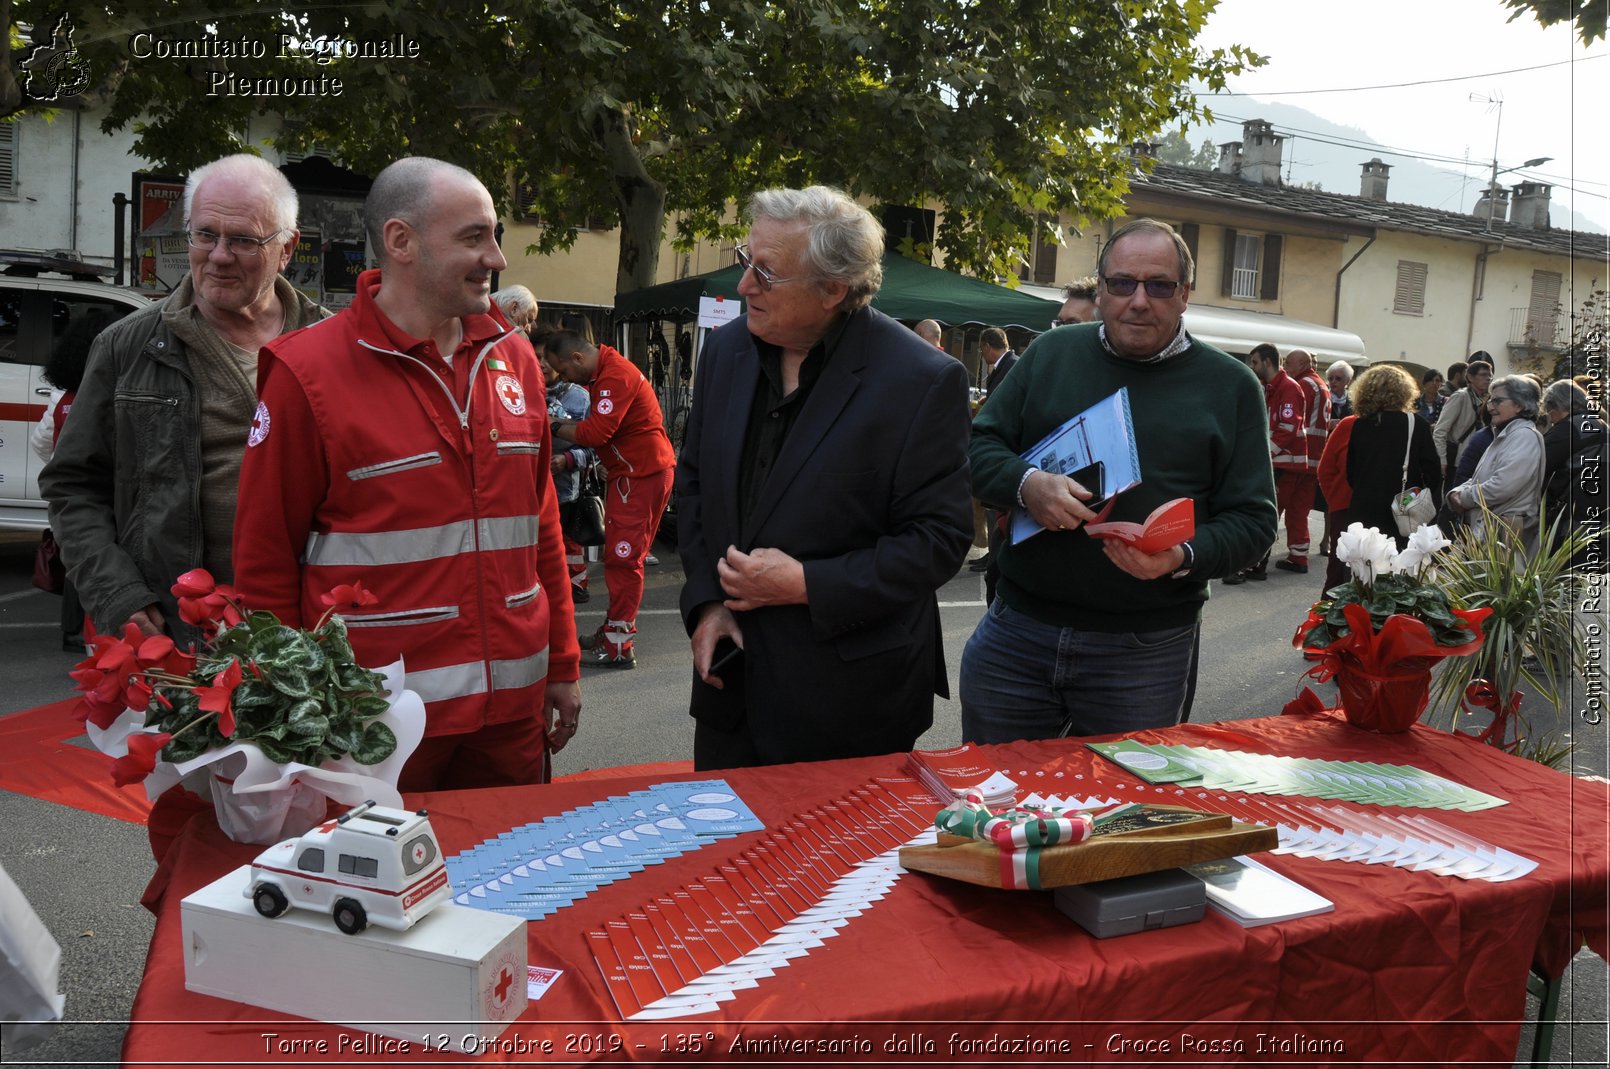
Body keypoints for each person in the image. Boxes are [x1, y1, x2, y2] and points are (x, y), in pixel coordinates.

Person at [233, 156, 581, 792]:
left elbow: (540, 524)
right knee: (387, 892)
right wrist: (287, 712)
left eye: (494, 235)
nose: (497, 258)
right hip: (377, 727)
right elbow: (265, 561)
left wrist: (561, 662)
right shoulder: (306, 374)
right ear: (400, 241)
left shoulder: (514, 358)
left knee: (513, 887)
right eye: (474, 237)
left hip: (510, 716)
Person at [676, 185, 972, 769]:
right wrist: (709, 604)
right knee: (729, 859)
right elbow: (695, 488)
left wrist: (807, 582)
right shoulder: (727, 350)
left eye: (766, 273)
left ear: (832, 290)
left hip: (852, 702)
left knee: (838, 863)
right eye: (746, 260)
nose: (743, 286)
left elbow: (938, 541)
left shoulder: (921, 380)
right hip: (729, 690)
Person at [963, 218, 1275, 743]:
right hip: (1018, 632)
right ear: (1102, 289)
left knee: (1119, 817)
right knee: (997, 806)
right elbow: (975, 448)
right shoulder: (1049, 354)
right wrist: (1027, 485)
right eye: (1122, 283)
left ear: (1184, 296)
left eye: (1158, 285)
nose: (1138, 300)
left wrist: (1181, 556)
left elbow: (1254, 520)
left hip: (1145, 650)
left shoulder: (1232, 386)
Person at [41, 154, 327, 648]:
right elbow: (73, 487)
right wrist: (118, 594)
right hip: (178, 634)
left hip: (307, 632)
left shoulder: (331, 345)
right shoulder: (125, 347)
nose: (218, 255)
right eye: (204, 234)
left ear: (287, 248)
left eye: (243, 239)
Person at [544, 329, 676, 668]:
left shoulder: (613, 375)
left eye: (566, 371)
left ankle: (618, 645)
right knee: (621, 557)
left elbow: (596, 433)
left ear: (576, 358)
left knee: (623, 560)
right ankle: (612, 633)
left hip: (640, 475)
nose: (568, 379)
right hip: (635, 473)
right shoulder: (607, 371)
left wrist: (554, 425)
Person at [31, 310, 116, 649]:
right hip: (109, 493)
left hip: (69, 496)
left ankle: (72, 629)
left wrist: (61, 468)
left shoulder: (61, 399)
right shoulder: (116, 393)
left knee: (75, 556)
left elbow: (41, 443)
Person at [1317, 365, 1441, 587]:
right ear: (1405, 391)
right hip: (1402, 511)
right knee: (1398, 574)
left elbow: (1351, 472)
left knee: (1362, 575)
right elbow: (1432, 473)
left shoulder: (1359, 425)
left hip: (1363, 507)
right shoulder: (1417, 425)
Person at [1225, 342, 1305, 583]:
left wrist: (1263, 455)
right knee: (1266, 513)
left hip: (1283, 462)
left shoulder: (1288, 388)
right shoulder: (1271, 387)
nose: (1252, 366)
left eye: (1255, 362)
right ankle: (1256, 565)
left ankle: (1252, 565)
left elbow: (1287, 428)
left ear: (1268, 362)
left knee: (1265, 514)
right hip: (1277, 460)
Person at [1447, 375, 1547, 555]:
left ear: (1520, 405)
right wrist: (1456, 493)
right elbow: (1481, 477)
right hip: (1490, 530)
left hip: (1503, 534)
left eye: (1498, 401)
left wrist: (1464, 498)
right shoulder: (1508, 433)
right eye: (1490, 400)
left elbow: (1502, 486)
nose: (1490, 406)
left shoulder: (1523, 436)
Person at [1542, 379, 1607, 565]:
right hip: (1600, 518)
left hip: (1571, 520)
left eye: (1549, 410)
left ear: (1560, 406)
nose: (1550, 417)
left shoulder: (1569, 429)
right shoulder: (1603, 425)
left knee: (1562, 580)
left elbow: (1538, 467)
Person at [1434, 359, 1492, 475]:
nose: (1488, 378)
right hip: (1455, 462)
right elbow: (1440, 431)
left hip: (1472, 460)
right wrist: (1442, 459)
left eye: (1490, 375)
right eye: (1483, 375)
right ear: (1470, 377)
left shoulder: (1484, 400)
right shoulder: (1460, 396)